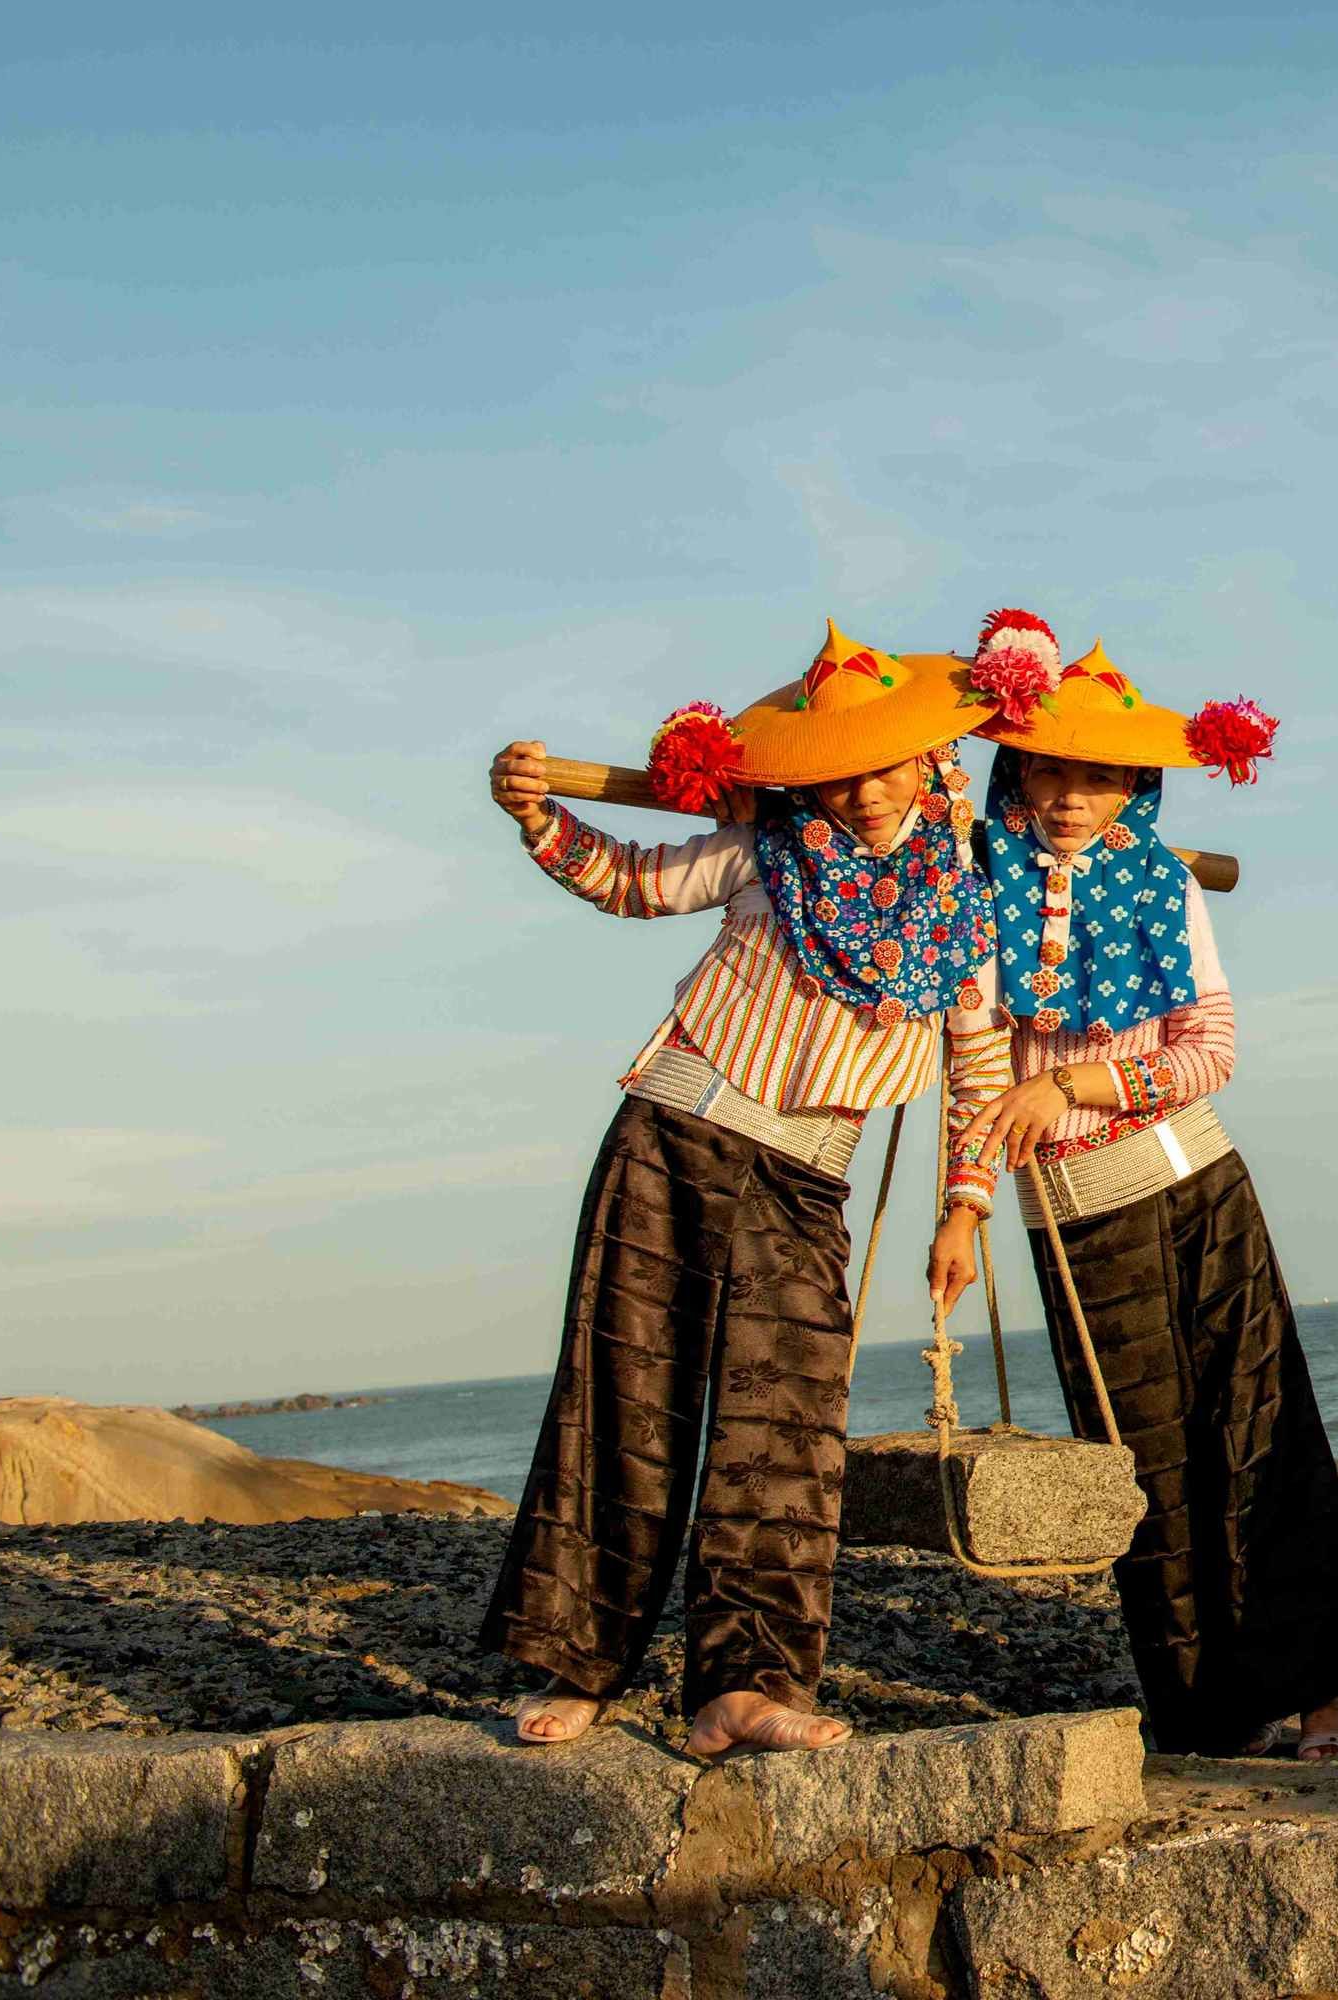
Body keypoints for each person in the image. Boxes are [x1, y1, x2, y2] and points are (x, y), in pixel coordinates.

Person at [479, 620, 1015, 1757]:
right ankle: (580, 1663)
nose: (865, 791)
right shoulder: (763, 849)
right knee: (624, 1395)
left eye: (887, 763)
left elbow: (981, 1063)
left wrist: (964, 1204)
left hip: (806, 1176)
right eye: (840, 770)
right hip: (674, 1127)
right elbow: (626, 880)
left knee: (784, 1433)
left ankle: (743, 1684)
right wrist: (538, 816)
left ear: (933, 762)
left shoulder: (968, 903)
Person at [950, 620, 1338, 1760]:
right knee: (1142, 1463)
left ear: (1133, 782)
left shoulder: (1167, 885)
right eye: (1049, 767)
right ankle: (1206, 1708)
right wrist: (967, 1199)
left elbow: (1211, 1049)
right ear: (1016, 770)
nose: (1072, 796)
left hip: (1197, 1188)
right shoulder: (973, 890)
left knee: (1260, 1434)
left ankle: (1326, 1691)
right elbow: (974, 1061)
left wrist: (1084, 1078)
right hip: (1070, 1218)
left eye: (1099, 774)